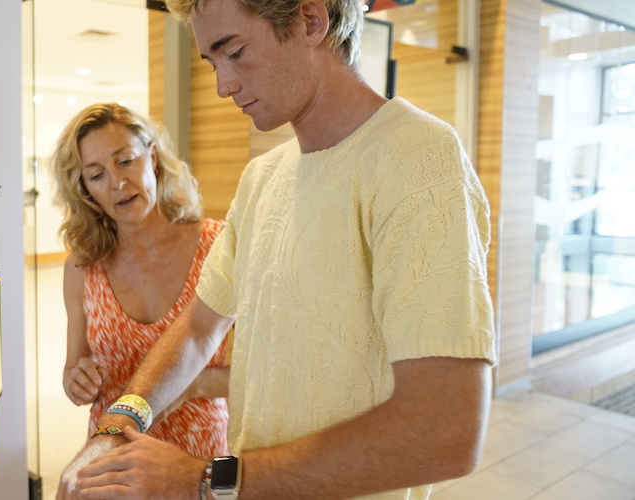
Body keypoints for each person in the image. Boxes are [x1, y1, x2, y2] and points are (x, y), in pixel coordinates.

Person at [57, 0, 497, 499]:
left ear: (310, 20)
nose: (224, 84)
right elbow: (200, 328)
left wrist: (202, 479)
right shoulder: (263, 178)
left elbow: (444, 431)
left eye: (236, 52)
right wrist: (118, 424)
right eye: (213, 62)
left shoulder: (417, 159)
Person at [50, 103, 232, 464]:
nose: (117, 182)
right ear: (85, 190)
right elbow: (74, 370)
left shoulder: (218, 246)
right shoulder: (83, 266)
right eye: (96, 175)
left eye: (125, 160)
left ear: (154, 157)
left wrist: (185, 385)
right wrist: (76, 381)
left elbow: (260, 374)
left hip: (196, 459)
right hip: (114, 458)